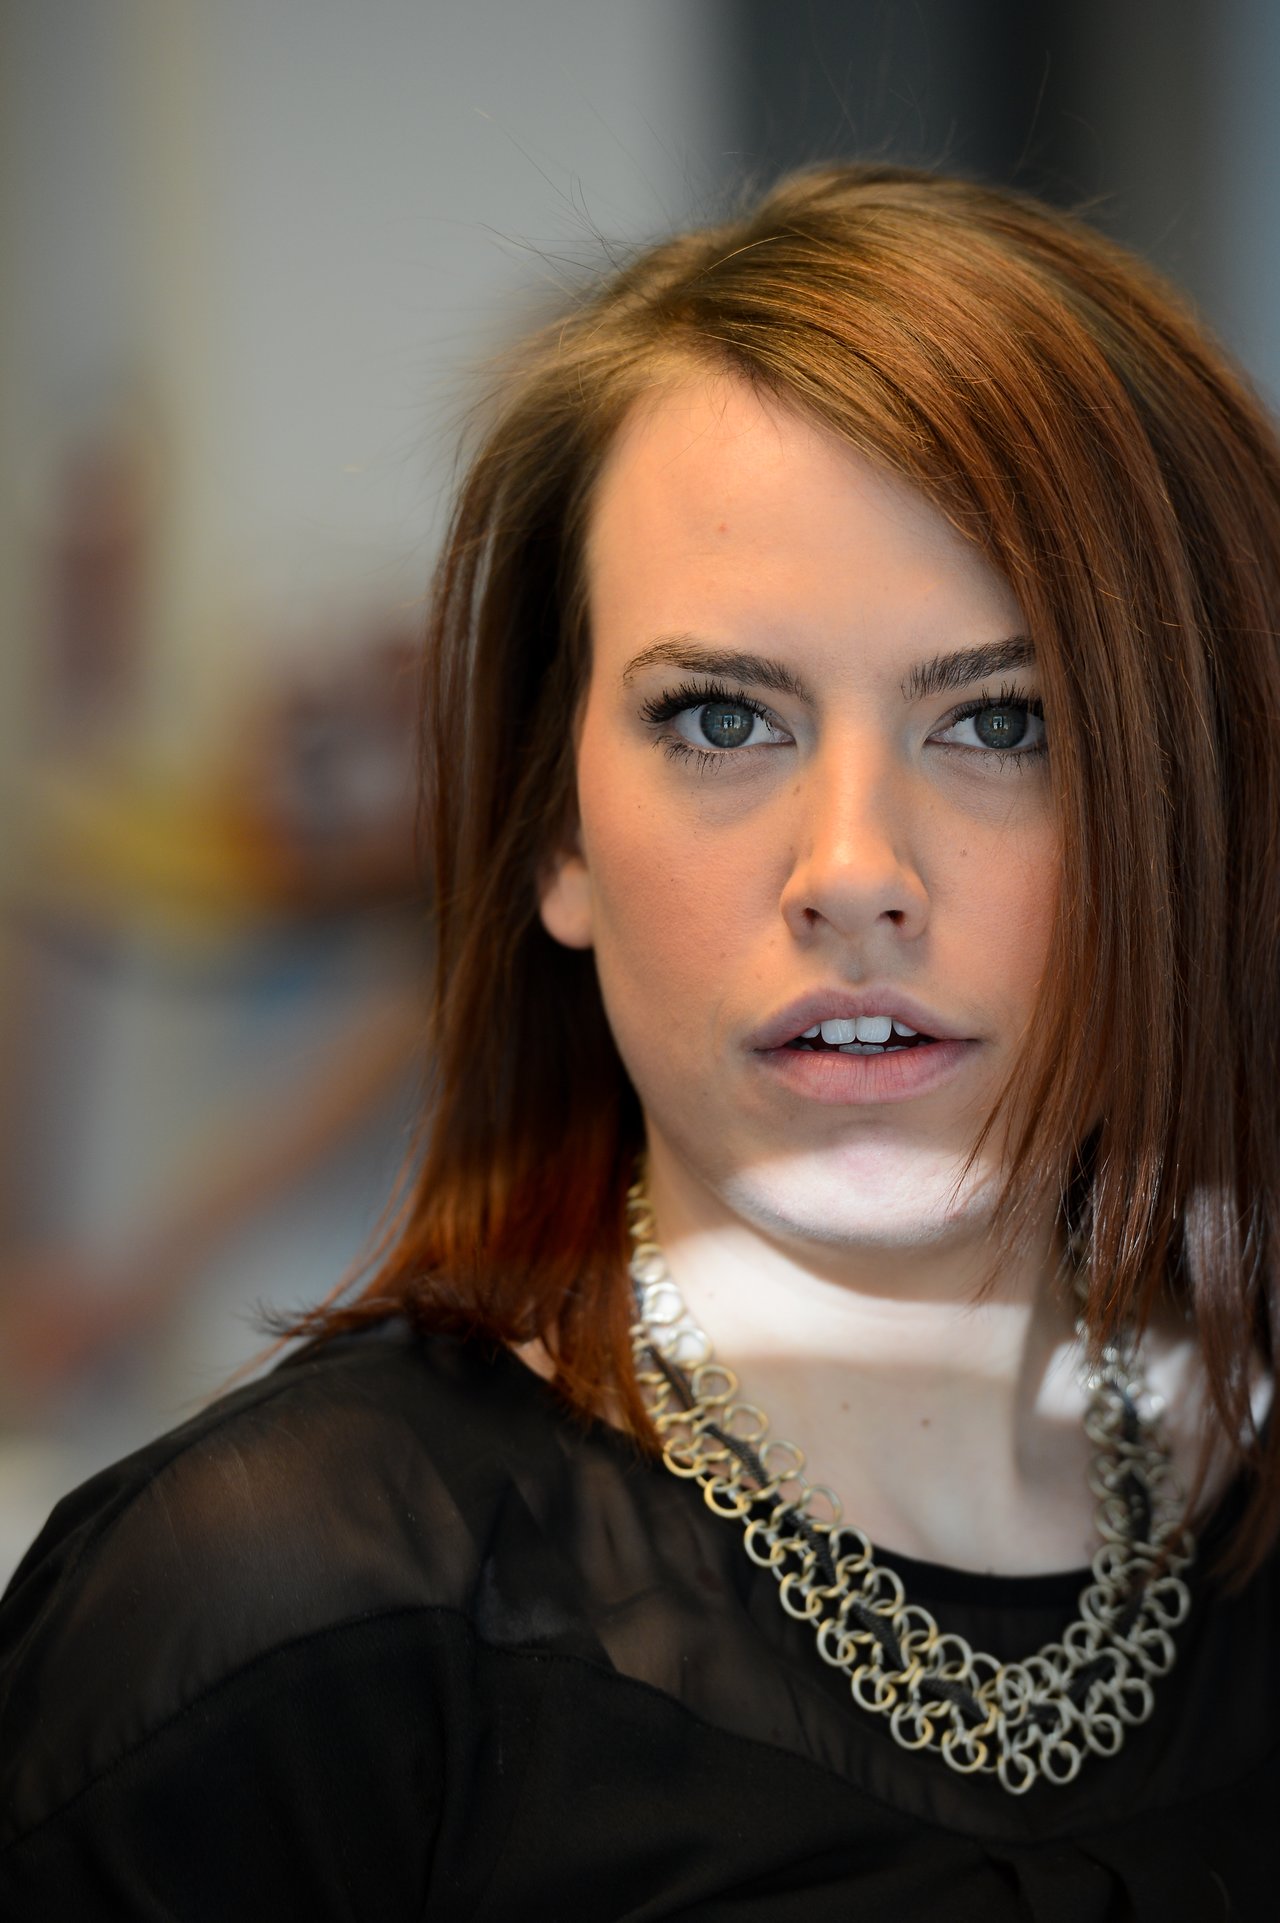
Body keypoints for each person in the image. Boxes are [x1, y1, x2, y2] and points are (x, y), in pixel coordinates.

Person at [2, 163, 1279, 1920]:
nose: (854, 876)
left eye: (1003, 719)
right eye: (723, 717)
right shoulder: (277, 1614)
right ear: (559, 837)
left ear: (1198, 800)